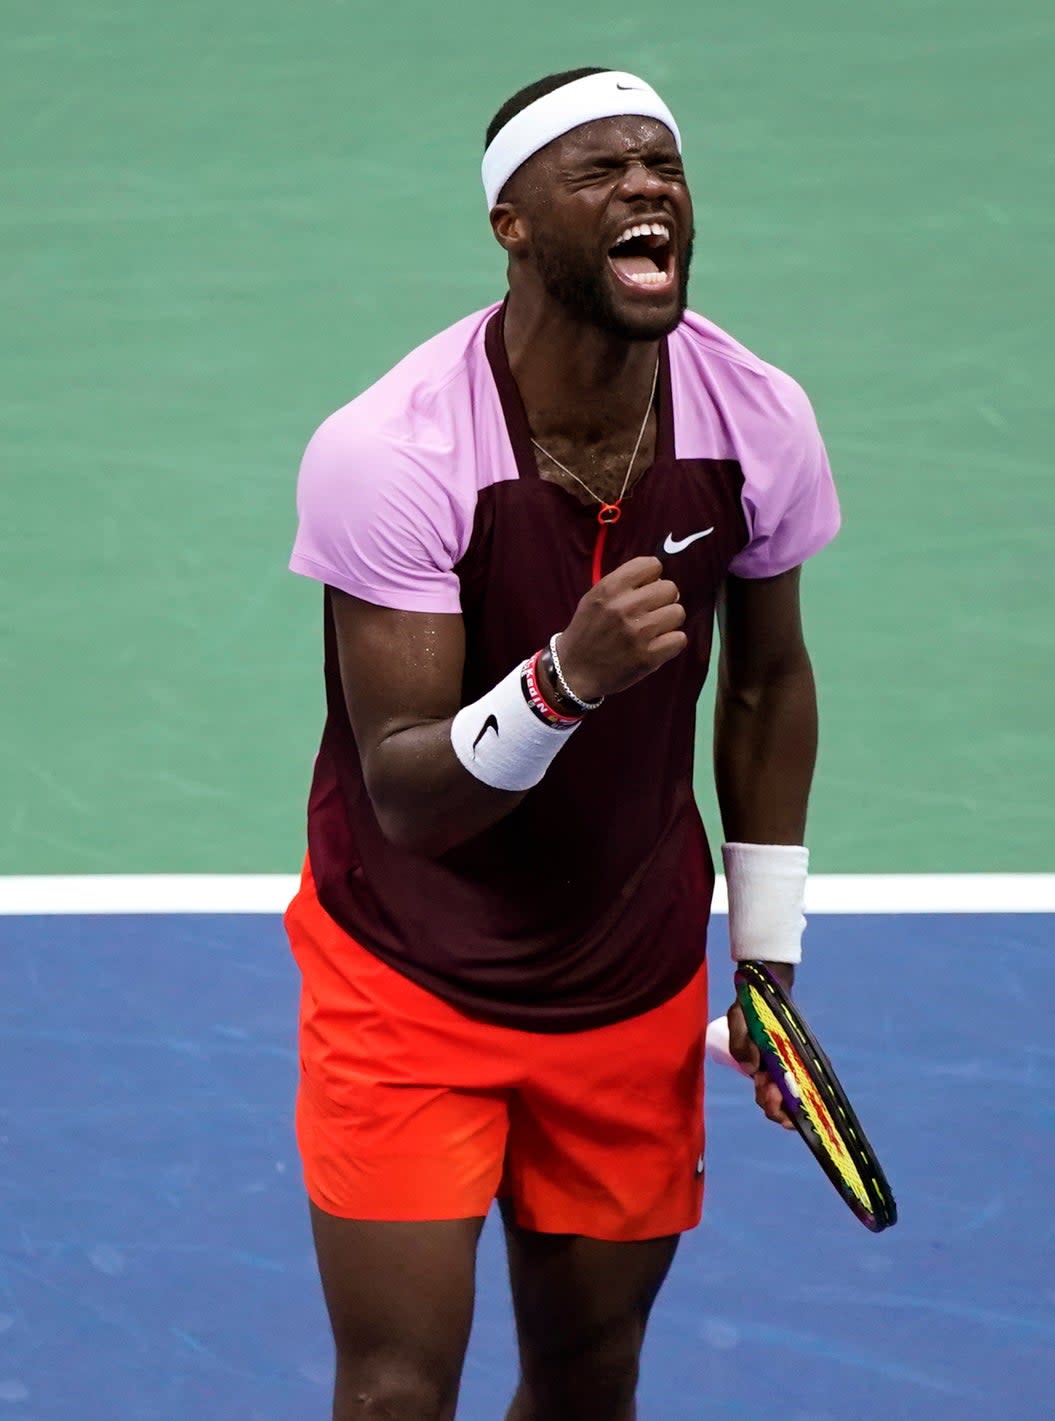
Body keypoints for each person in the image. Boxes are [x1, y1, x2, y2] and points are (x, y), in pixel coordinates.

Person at [285, 66, 840, 1421]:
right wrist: (563, 681)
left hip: (630, 981)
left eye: (665, 166)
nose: (648, 187)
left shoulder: (755, 415)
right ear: (512, 224)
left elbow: (765, 684)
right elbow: (409, 790)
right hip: (407, 980)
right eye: (599, 171)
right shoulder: (393, 452)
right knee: (397, 1390)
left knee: (590, 1381)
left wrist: (763, 964)